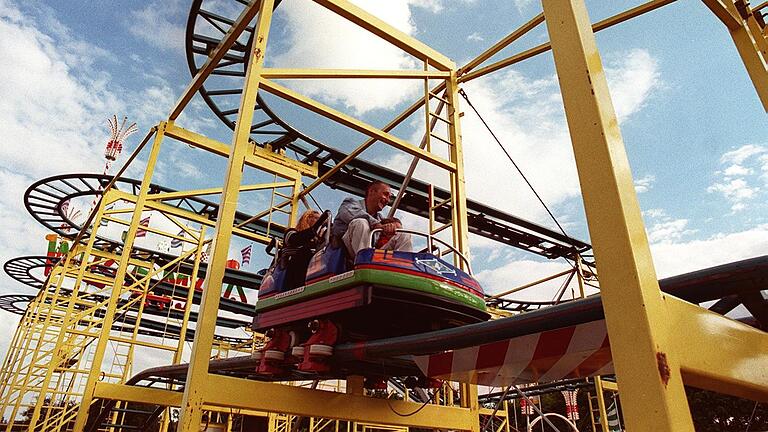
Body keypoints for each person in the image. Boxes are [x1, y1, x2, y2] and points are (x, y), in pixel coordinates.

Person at [331, 181, 412, 257]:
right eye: (385, 194)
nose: (388, 200)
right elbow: (349, 214)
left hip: (373, 254)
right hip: (344, 251)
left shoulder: (380, 219)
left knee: (403, 234)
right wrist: (376, 224)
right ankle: (364, 260)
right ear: (372, 191)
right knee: (361, 222)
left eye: (389, 197)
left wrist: (391, 230)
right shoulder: (349, 203)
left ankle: (405, 265)